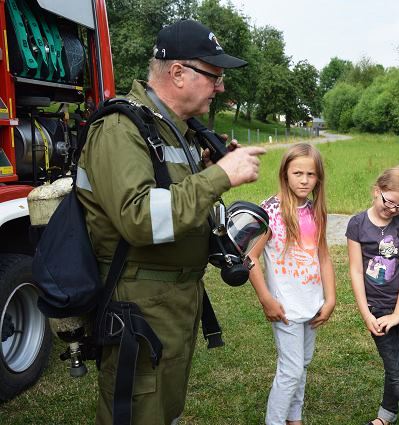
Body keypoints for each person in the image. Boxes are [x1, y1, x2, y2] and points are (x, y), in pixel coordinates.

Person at [76, 19, 266, 425]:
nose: (221, 86)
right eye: (213, 75)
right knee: (139, 411)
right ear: (177, 73)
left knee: (163, 409)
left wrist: (208, 169)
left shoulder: (172, 130)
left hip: (172, 304)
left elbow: (174, 195)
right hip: (140, 307)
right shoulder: (120, 128)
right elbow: (140, 219)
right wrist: (220, 176)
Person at [247, 143, 336, 425]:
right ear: (285, 173)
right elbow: (250, 258)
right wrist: (266, 299)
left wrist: (330, 298)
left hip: (311, 304)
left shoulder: (315, 211)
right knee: (291, 370)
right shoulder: (269, 211)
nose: (304, 180)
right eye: (297, 172)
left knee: (302, 365)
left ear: (318, 177)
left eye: (311, 174)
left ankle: (293, 418)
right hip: (285, 307)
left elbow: (323, 256)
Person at [346, 166, 399, 425]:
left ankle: (386, 415)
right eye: (389, 202)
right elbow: (356, 271)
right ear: (377, 191)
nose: (393, 210)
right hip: (377, 310)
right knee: (397, 370)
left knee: (396, 365)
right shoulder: (357, 224)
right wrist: (366, 314)